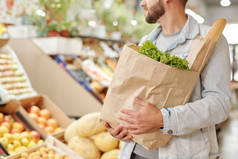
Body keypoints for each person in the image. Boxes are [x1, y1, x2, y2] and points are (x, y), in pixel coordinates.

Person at [105, 0, 231, 159]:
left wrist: (163, 119)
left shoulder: (210, 40)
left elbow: (219, 103)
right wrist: (122, 126)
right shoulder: (147, 42)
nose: (142, 3)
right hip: (133, 152)